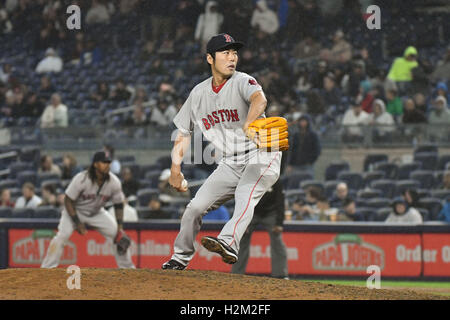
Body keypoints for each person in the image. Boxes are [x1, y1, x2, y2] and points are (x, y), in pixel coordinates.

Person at [161, 34, 282, 270]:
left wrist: (249, 122)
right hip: (230, 162)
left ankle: (228, 242)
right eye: (225, 53)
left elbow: (260, 100)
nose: (232, 57)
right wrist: (175, 170)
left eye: (234, 53)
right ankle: (180, 257)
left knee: (245, 195)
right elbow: (183, 132)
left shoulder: (242, 81)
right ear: (209, 58)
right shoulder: (198, 94)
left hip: (263, 153)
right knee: (194, 208)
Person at [41, 151, 135, 269]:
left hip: (97, 213)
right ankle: (47, 268)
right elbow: (68, 201)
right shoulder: (82, 178)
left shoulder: (114, 182)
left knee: (119, 237)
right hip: (74, 212)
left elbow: (118, 205)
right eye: (104, 162)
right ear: (95, 164)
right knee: (62, 236)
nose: (107, 165)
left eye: (108, 162)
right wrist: (77, 222)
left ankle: (128, 269)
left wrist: (120, 228)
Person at [231, 179, 288, 279]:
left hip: (271, 213)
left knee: (277, 239)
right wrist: (242, 222)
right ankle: (236, 274)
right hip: (251, 212)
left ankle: (281, 274)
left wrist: (279, 223)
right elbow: (241, 200)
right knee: (242, 237)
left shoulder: (275, 180)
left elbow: (280, 201)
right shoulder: (249, 179)